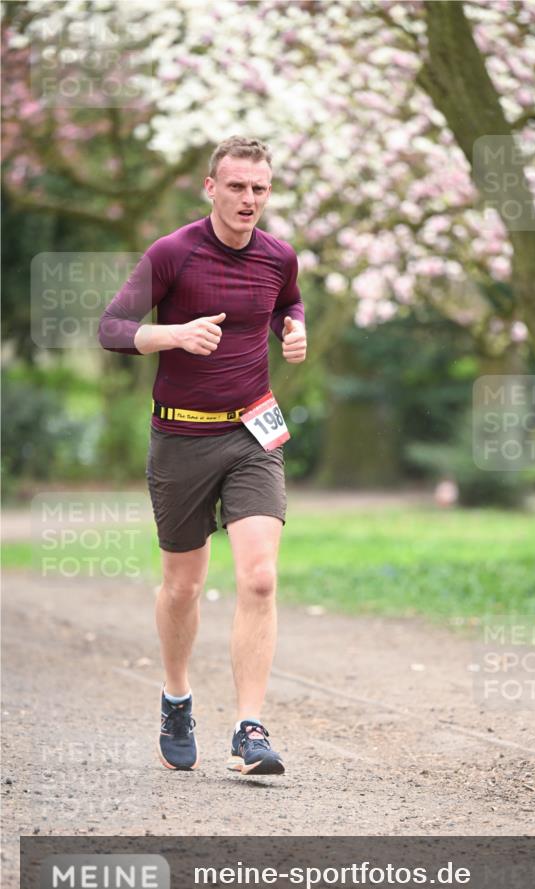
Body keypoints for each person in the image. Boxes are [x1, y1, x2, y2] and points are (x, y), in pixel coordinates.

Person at [98, 136, 307, 776]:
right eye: (237, 186)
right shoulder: (173, 253)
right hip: (181, 438)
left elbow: (285, 302)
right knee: (183, 586)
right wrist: (174, 335)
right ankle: (177, 698)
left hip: (252, 434)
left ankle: (250, 731)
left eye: (259, 188)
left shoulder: (279, 256)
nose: (249, 199)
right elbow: (111, 328)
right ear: (210, 187)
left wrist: (293, 327)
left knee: (260, 577)